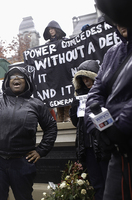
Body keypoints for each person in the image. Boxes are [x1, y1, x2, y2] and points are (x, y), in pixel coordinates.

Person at [0, 51, 57, 200]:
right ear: (7, 81)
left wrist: (41, 150)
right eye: (12, 77)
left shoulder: (36, 104)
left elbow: (51, 128)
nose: (16, 79)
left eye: (20, 77)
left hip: (22, 163)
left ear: (27, 81)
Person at [84, 22, 132, 199]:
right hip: (118, 154)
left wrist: (120, 128)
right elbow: (95, 94)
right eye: (116, 20)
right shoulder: (112, 53)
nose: (120, 24)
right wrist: (103, 128)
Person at [69, 60, 108, 200]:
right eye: (82, 79)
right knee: (97, 185)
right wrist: (74, 106)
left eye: (88, 77)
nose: (86, 81)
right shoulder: (79, 98)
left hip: (103, 146)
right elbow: (75, 122)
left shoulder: (104, 93)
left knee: (109, 184)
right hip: (87, 148)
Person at [43, 20, 70, 122]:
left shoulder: (65, 41)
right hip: (54, 74)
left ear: (57, 29)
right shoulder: (47, 45)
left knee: (66, 92)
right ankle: (60, 116)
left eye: (52, 29)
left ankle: (67, 115)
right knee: (57, 94)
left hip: (64, 72)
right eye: (49, 30)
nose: (51, 31)